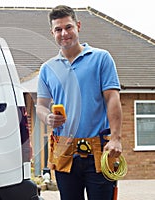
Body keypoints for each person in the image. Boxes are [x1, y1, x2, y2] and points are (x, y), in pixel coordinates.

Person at [36, 5, 123, 200]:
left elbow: (112, 99)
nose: (64, 33)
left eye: (68, 27)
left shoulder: (101, 59)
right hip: (63, 150)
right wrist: (47, 117)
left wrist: (116, 138)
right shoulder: (47, 69)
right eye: (58, 29)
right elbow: (40, 106)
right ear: (52, 32)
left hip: (99, 150)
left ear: (78, 26)